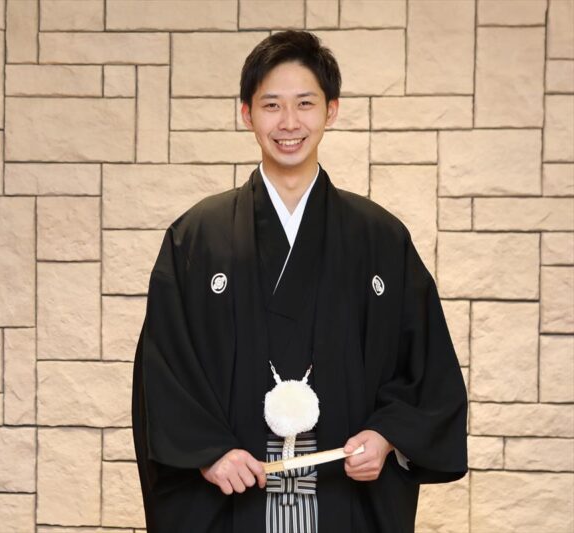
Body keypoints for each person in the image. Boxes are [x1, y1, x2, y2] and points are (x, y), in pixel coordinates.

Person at [132, 30, 468, 533]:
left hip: (344, 504)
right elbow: (163, 368)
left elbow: (425, 366)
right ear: (246, 113)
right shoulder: (196, 238)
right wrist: (208, 451)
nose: (289, 123)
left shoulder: (379, 238)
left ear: (331, 110)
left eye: (305, 104)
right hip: (232, 500)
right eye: (272, 105)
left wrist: (387, 436)